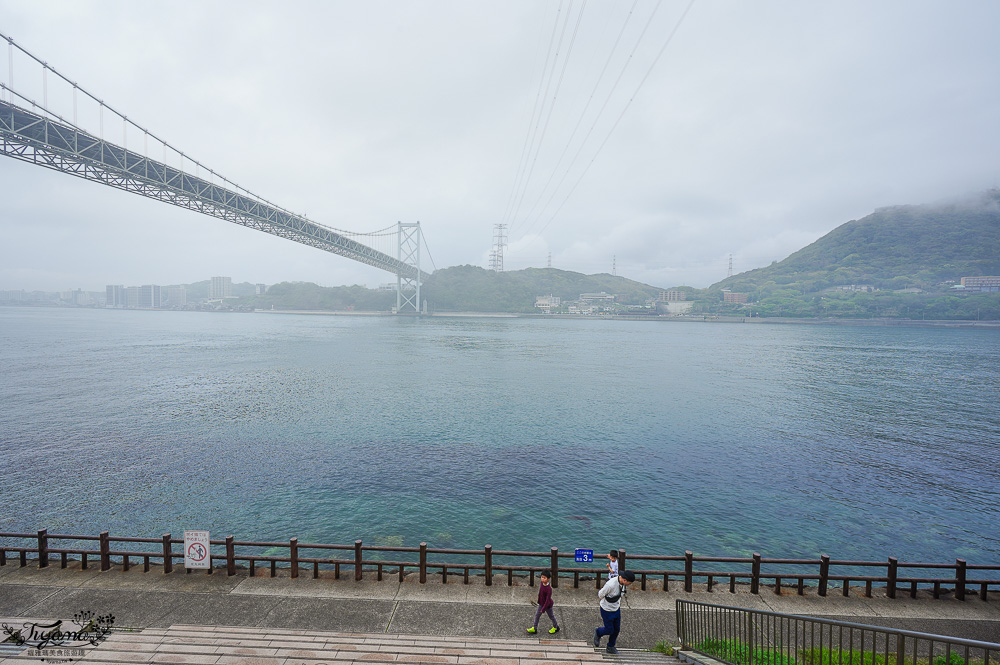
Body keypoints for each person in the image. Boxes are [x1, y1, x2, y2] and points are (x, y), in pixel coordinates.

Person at [593, 570, 634, 653]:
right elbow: (600, 594)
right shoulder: (610, 585)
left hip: (616, 608)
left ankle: (610, 646)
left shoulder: (623, 584)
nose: (630, 585)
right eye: (629, 583)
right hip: (607, 610)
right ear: (625, 580)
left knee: (616, 629)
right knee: (609, 630)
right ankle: (598, 632)